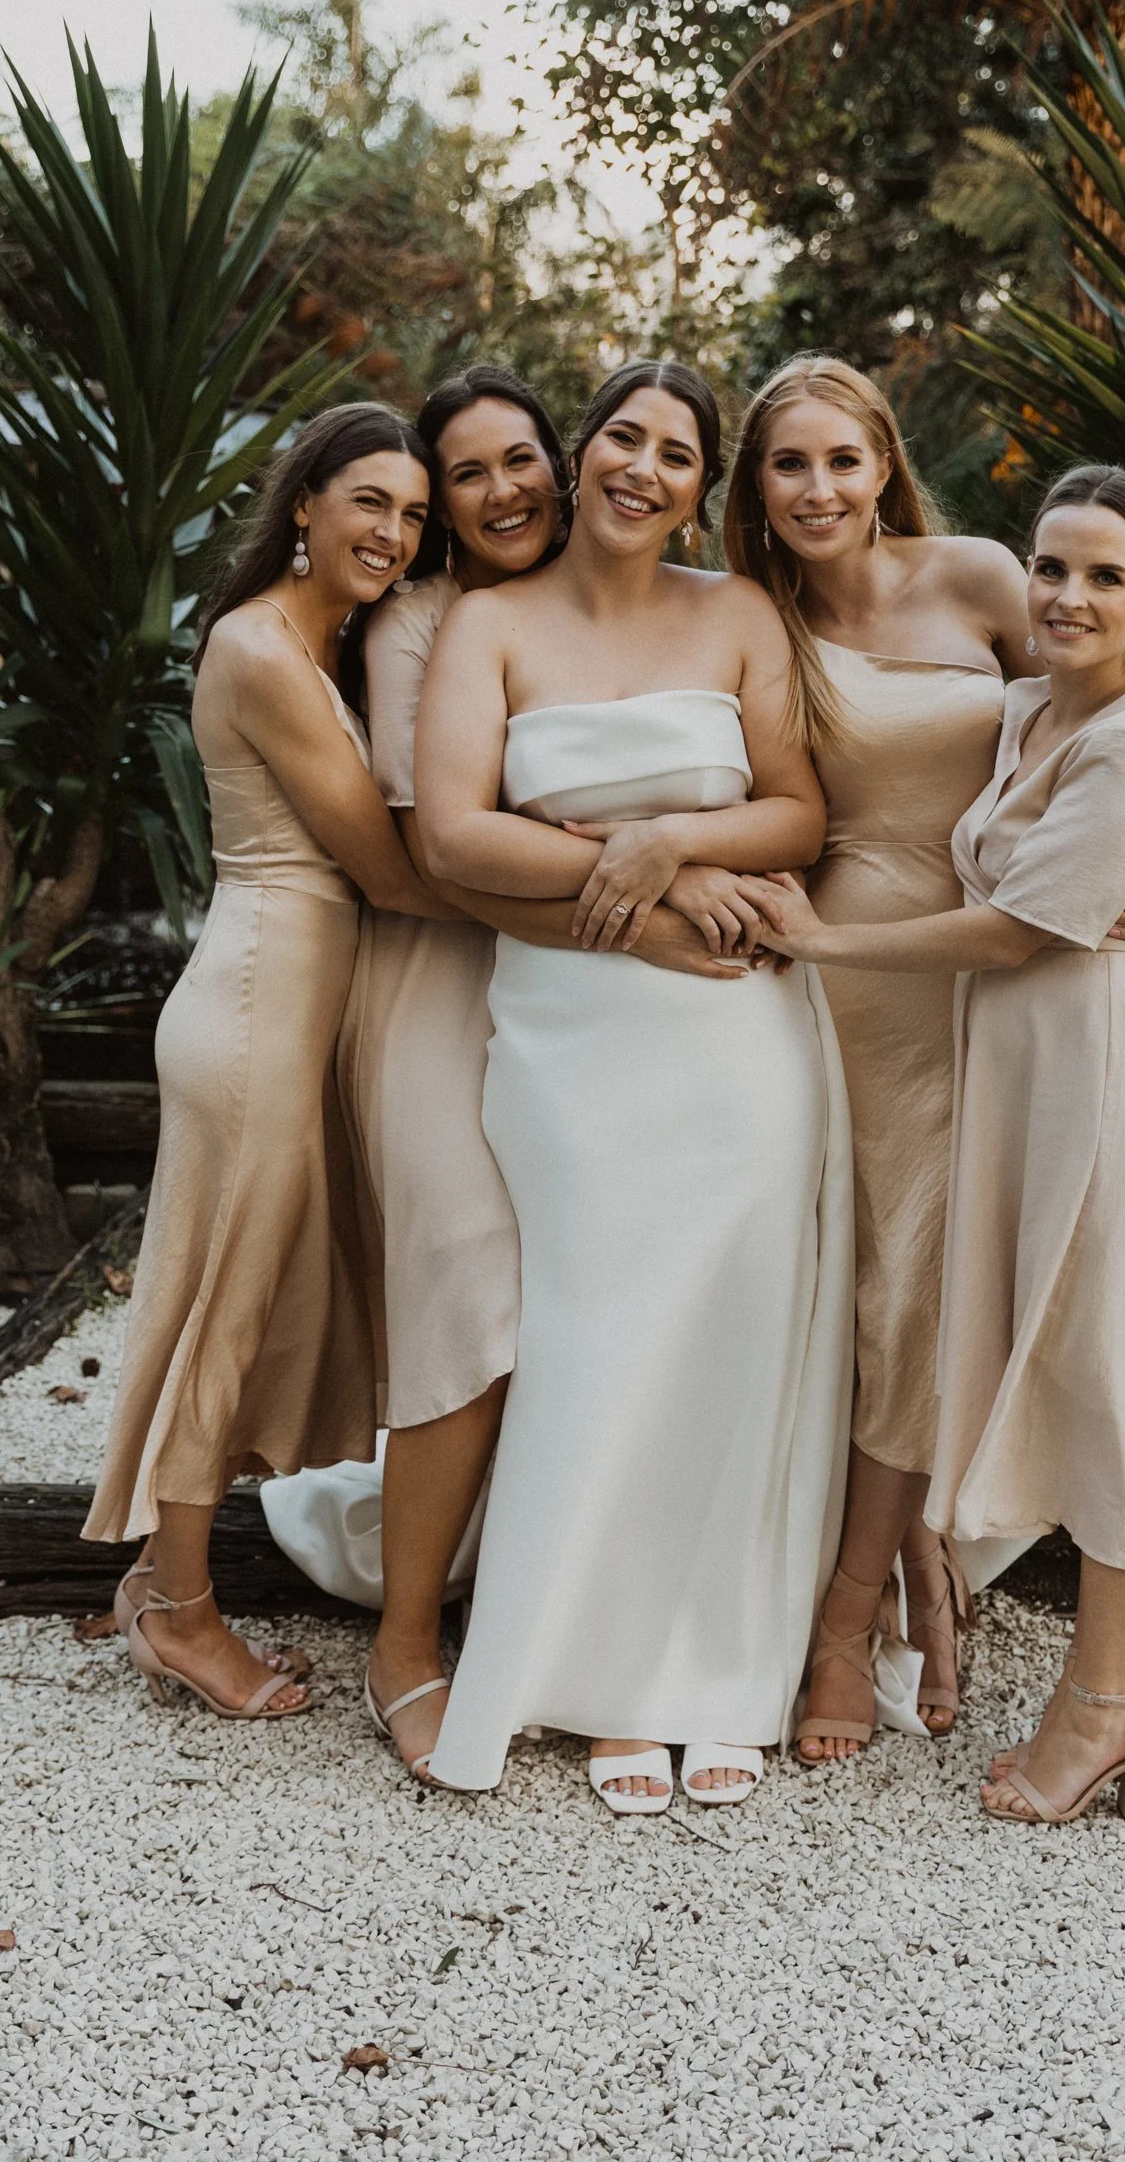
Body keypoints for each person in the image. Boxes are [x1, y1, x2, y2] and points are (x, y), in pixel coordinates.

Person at [263, 366, 750, 1778]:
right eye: (466, 473)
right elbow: (433, 860)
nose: (504, 490)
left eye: (520, 457)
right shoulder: (425, 624)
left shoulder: (639, 606)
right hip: (442, 976)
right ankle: (407, 1640)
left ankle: (565, 1601)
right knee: (470, 1281)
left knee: (593, 1290)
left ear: (563, 459)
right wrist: (657, 898)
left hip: (579, 993)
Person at [722, 358, 1125, 1762]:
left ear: (887, 464)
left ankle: (867, 1606)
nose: (820, 489)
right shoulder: (747, 615)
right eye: (789, 464)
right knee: (859, 1287)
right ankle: (888, 1568)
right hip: (841, 985)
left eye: (844, 459)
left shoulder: (993, 573)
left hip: (993, 982)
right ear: (756, 487)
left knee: (933, 1289)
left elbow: (1119, 747)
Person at [413, 360, 853, 1814]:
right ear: (578, 451)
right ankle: (600, 1679)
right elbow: (454, 839)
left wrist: (675, 838)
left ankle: (719, 1668)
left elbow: (799, 811)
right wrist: (646, 888)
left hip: (738, 1030)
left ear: (698, 487)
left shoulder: (740, 615)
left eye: (675, 452)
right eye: (622, 437)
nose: (641, 468)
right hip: (568, 1027)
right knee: (597, 1331)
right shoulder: (489, 625)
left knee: (731, 1334)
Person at [83, 404, 445, 1720]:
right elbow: (388, 872)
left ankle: (154, 1576)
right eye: (370, 503)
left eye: (413, 515)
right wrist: (591, 894)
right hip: (254, 1009)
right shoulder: (262, 649)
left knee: (247, 1299)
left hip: (293, 1010)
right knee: (225, 1309)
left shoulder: (329, 641)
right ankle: (181, 1613)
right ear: (304, 503)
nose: (392, 534)